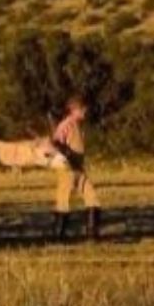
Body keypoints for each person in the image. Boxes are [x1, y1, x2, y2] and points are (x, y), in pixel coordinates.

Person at [51, 95, 101, 239]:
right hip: (67, 168)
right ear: (74, 110)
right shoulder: (66, 124)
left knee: (92, 197)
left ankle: (92, 234)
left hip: (79, 168)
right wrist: (67, 154)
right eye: (82, 109)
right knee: (64, 200)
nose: (85, 111)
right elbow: (56, 142)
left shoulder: (79, 126)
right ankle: (58, 236)